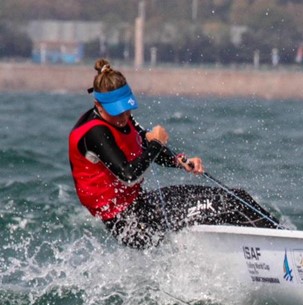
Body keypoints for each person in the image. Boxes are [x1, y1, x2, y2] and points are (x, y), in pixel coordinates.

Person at [69, 59, 278, 248]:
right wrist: (156, 143)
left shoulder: (121, 118)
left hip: (142, 207)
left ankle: (264, 247)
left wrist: (179, 161)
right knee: (230, 203)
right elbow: (129, 175)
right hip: (131, 225)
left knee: (237, 197)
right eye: (117, 111)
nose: (124, 116)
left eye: (127, 109)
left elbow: (147, 149)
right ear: (98, 104)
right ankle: (280, 248)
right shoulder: (95, 133)